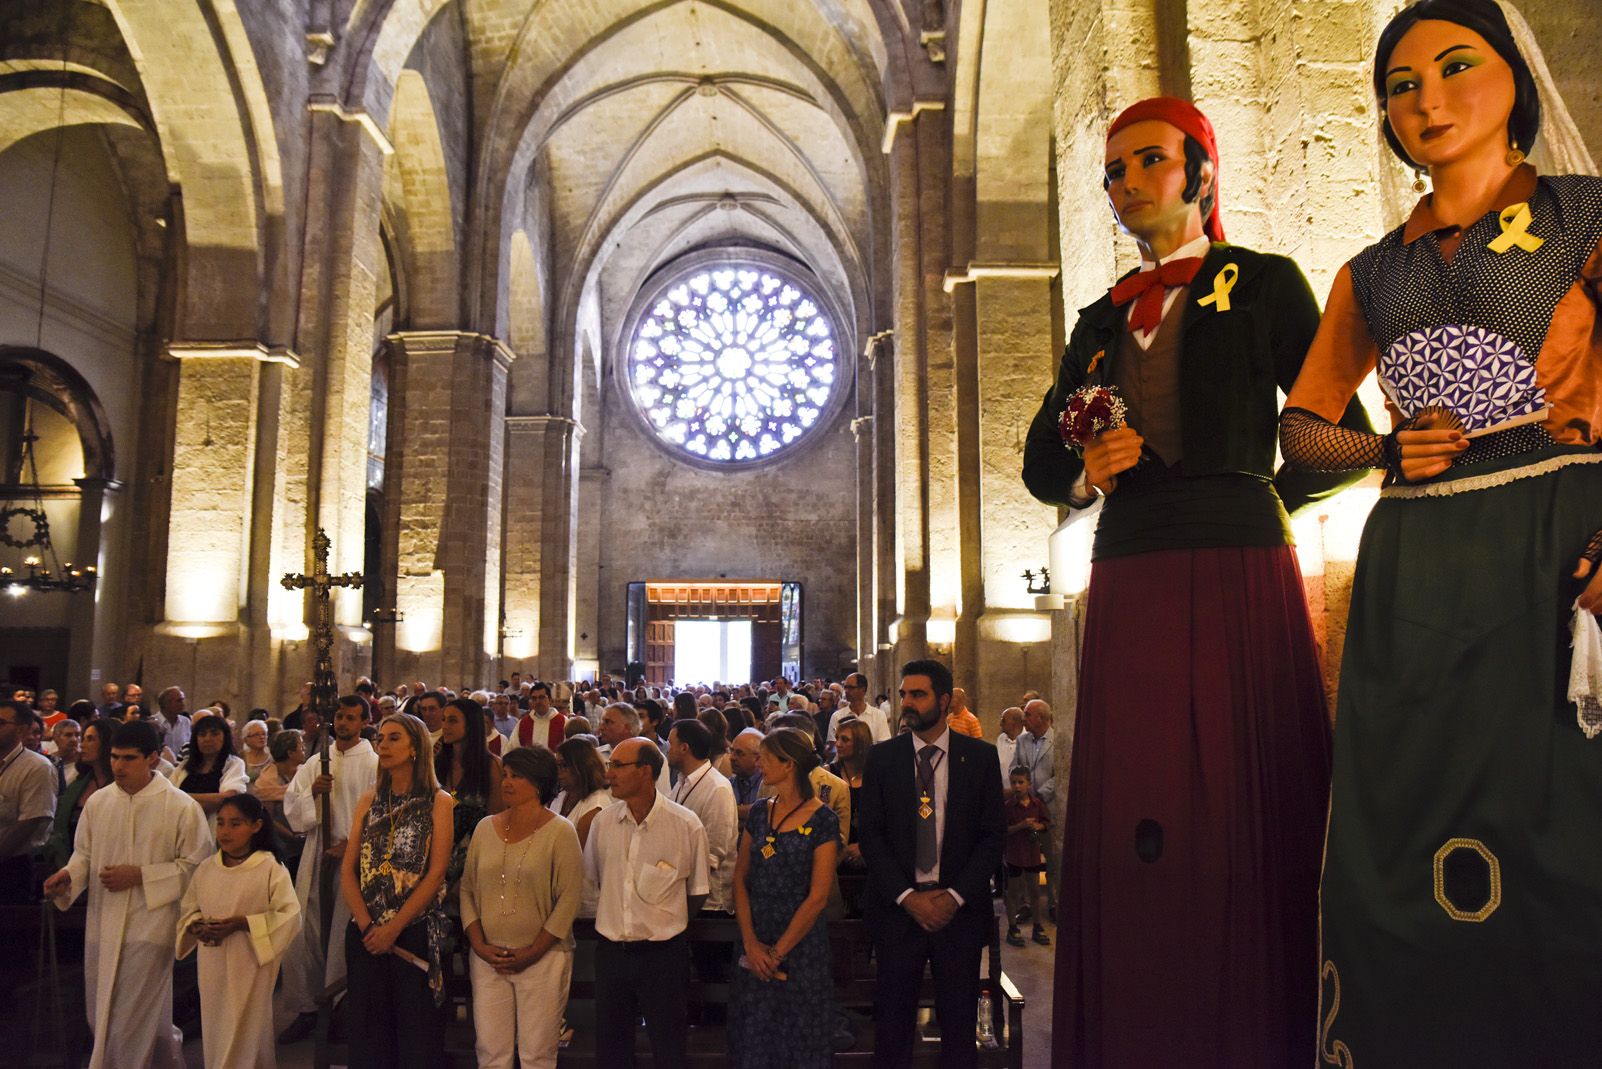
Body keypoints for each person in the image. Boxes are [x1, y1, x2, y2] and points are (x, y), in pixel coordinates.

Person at [1278, 1, 1602, 1059]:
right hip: (1415, 565)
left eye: (1456, 66)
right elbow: (1304, 424)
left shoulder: (1587, 218)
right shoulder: (1374, 271)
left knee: (1556, 821)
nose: (1426, 98)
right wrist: (1381, 450)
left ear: (1513, 78)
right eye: (1401, 84)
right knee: (1403, 825)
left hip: (1554, 536)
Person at [1021, 96, 1368, 1067]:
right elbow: (1041, 467)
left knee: (1249, 799)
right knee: (1139, 795)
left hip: (1238, 566)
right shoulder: (1096, 321)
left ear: (1201, 172)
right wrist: (1091, 469)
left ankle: (1264, 1026)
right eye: (1113, 171)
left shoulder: (1262, 286)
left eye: (1147, 162)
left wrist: (1248, 497)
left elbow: (1333, 435)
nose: (1125, 183)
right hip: (1127, 564)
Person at [856, 660, 1004, 1069]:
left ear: (943, 701)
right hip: (898, 914)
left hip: (958, 914)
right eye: (904, 694)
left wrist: (954, 897)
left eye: (917, 695)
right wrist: (907, 897)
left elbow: (992, 837)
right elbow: (870, 835)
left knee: (958, 1027)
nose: (907, 702)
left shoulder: (979, 758)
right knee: (893, 1026)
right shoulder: (883, 759)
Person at [42, 720, 212, 1069]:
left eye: (129, 758)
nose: (118, 766)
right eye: (115, 757)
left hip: (151, 926)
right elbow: (85, 856)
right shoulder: (99, 803)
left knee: (127, 1022)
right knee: (102, 1013)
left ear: (151, 758)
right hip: (103, 922)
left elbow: (197, 868)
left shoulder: (180, 807)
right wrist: (67, 877)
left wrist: (141, 876)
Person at [583, 737, 710, 1068]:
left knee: (668, 1046)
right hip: (612, 953)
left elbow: (697, 892)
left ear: (645, 771)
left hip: (662, 956)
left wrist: (660, 922)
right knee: (611, 1049)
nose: (608, 773)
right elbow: (595, 878)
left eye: (617, 766)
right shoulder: (603, 822)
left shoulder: (685, 825)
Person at [342, 713, 454, 1069]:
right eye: (381, 738)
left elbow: (436, 872)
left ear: (415, 748)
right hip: (366, 932)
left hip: (414, 931)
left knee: (415, 1037)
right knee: (370, 1035)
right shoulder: (369, 800)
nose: (383, 745)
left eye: (394, 738)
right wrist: (367, 926)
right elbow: (349, 870)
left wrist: (394, 928)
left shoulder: (439, 801)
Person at [460, 746, 584, 1069]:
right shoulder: (486, 828)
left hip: (543, 958)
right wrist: (479, 945)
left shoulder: (560, 831)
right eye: (505, 775)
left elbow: (568, 900)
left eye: (517, 776)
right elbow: (468, 889)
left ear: (540, 782)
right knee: (490, 1051)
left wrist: (532, 951)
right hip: (488, 957)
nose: (507, 782)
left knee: (537, 1053)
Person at [729, 727, 840, 1068]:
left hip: (801, 949)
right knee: (753, 1043)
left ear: (789, 764)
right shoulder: (761, 812)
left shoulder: (823, 819)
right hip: (755, 939)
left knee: (800, 1045)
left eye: (766, 756)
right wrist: (751, 943)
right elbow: (740, 877)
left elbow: (818, 897)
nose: (759, 762)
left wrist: (776, 953)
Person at [276, 698, 378, 1044]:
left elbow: (379, 815)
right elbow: (292, 808)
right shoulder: (317, 763)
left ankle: (339, 1011)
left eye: (351, 717)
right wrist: (312, 796)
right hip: (317, 854)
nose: (344, 722)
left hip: (356, 858)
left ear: (364, 721)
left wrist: (349, 844)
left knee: (342, 936)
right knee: (306, 933)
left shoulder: (374, 764)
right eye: (339, 716)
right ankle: (307, 1008)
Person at [176, 793, 300, 1069]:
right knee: (216, 1023)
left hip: (251, 961)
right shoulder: (207, 869)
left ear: (256, 826)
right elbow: (189, 909)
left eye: (235, 824)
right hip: (213, 962)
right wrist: (197, 926)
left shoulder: (269, 867)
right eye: (220, 823)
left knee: (247, 1027)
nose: (225, 832)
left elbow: (289, 915)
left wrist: (242, 924)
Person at [668, 718, 738, 913]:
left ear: (684, 748)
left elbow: (715, 853)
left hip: (710, 904)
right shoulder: (682, 782)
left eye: (671, 742)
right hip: (683, 895)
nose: (667, 748)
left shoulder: (717, 788)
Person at [437, 696, 505, 894]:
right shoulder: (438, 764)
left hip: (473, 861)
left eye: (452, 720)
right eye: (443, 719)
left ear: (471, 724)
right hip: (438, 861)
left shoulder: (490, 766)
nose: (445, 726)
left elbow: (496, 821)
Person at [0, 699, 55, 901]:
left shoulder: (37, 767)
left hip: (13, 867)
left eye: (1, 723)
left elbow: (29, 822)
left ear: (21, 730)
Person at [47, 718, 112, 867]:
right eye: (83, 739)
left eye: (90, 739)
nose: (81, 744)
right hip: (70, 862)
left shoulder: (120, 786)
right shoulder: (78, 785)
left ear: (107, 743)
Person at [1001, 767, 1051, 948]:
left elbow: (1046, 823)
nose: (1017, 786)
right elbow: (1003, 830)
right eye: (1013, 782)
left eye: (1020, 782)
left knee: (1035, 891)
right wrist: (1021, 825)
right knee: (1013, 892)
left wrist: (1038, 826)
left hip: (1031, 854)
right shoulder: (1008, 807)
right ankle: (1013, 928)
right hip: (1014, 854)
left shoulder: (1036, 804)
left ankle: (1038, 926)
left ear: (1028, 784)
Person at [169, 712, 249, 817]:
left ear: (225, 737)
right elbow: (168, 796)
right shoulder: (183, 766)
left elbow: (228, 798)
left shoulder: (234, 764)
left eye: (214, 734)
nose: (207, 739)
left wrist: (181, 797)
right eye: (202, 734)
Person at [827, 716, 871, 872]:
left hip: (870, 852)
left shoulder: (876, 775)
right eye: (837, 738)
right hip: (834, 854)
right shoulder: (828, 775)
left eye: (845, 740)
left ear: (860, 744)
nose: (838, 744)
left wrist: (864, 846)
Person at [513, 682, 566, 751]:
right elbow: (513, 749)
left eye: (541, 697)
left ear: (550, 700)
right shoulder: (523, 723)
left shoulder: (563, 722)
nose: (537, 701)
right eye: (534, 698)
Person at [728, 727, 765, 822]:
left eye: (739, 753)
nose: (732, 757)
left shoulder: (768, 783)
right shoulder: (729, 783)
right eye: (731, 751)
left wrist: (730, 809)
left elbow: (765, 812)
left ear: (758, 759)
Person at [152, 686, 193, 762]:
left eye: (183, 700)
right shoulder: (153, 723)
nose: (183, 704)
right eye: (179, 700)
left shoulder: (186, 722)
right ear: (166, 704)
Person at [993, 707, 1024, 780]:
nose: (1000, 724)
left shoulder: (1027, 739)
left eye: (1003, 720)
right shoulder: (1001, 738)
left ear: (1015, 723)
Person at [240, 719, 272, 784]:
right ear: (246, 739)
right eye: (256, 735)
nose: (262, 737)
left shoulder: (274, 756)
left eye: (264, 734)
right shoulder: (240, 757)